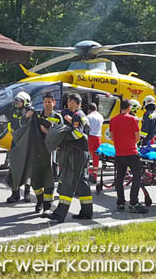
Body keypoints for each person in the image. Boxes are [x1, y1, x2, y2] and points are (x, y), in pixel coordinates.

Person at [48, 93, 93, 222]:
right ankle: (86, 212)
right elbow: (86, 130)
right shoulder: (82, 115)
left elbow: (78, 133)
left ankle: (59, 214)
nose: (67, 104)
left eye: (68, 102)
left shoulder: (77, 116)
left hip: (75, 153)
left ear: (73, 102)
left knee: (68, 181)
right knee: (82, 182)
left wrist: (64, 138)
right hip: (83, 153)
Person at [109, 99, 149, 213]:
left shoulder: (113, 120)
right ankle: (133, 203)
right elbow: (137, 136)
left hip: (119, 153)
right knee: (137, 176)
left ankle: (120, 203)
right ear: (129, 108)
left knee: (119, 178)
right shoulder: (133, 119)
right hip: (131, 152)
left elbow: (112, 137)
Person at [34, 92, 64, 215]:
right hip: (37, 153)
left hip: (51, 153)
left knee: (49, 180)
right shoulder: (36, 116)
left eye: (49, 102)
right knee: (35, 180)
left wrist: (47, 131)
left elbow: (60, 134)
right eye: (45, 102)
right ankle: (40, 201)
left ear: (54, 103)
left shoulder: (58, 117)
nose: (47, 104)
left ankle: (48, 205)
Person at [6, 91, 35, 203]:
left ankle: (27, 193)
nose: (16, 102)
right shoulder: (15, 111)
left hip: (27, 144)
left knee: (28, 168)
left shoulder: (31, 112)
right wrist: (24, 117)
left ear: (25, 102)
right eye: (16, 100)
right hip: (16, 142)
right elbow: (14, 125)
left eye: (18, 101)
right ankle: (15, 193)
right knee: (14, 168)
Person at [87, 103, 104, 184]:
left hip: (90, 137)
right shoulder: (101, 117)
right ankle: (95, 175)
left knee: (86, 156)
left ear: (89, 109)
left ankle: (89, 172)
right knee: (96, 157)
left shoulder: (89, 117)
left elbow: (87, 128)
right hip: (98, 138)